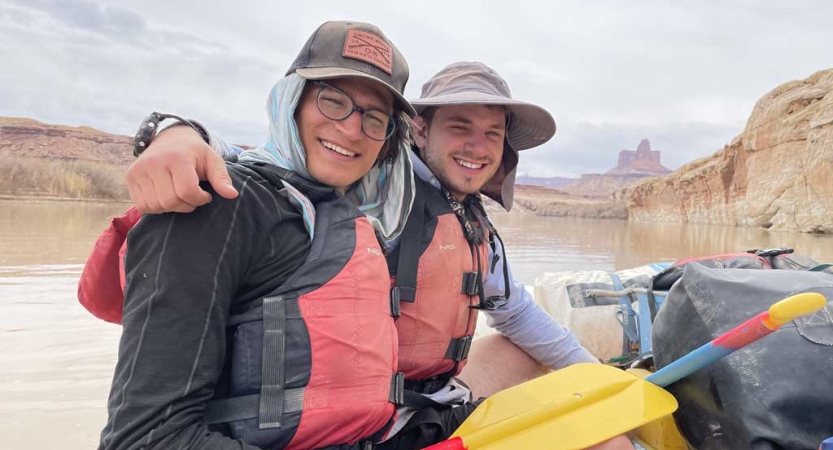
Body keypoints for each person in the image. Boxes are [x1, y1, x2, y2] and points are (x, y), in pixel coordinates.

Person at [87, 62, 633, 449]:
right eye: (460, 126)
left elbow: (516, 313)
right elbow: (271, 158)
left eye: (491, 133)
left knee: (541, 365)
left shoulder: (475, 225)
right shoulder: (373, 181)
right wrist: (177, 132)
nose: (477, 145)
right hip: (358, 414)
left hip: (424, 405)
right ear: (419, 130)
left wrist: (609, 381)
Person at [95, 20, 417, 450]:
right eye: (333, 100)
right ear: (291, 103)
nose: (352, 129)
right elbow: (145, 440)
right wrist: (172, 129)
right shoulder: (216, 207)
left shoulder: (351, 214)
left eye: (375, 118)